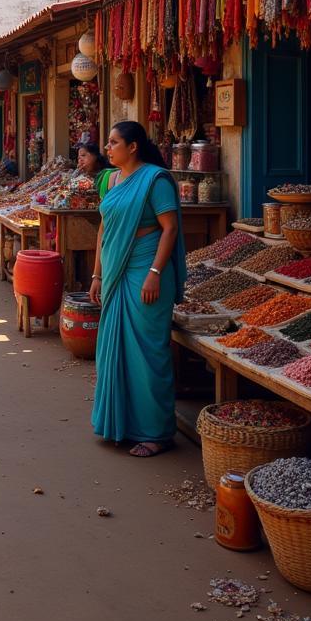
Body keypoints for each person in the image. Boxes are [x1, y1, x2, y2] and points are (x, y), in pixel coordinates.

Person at [88, 121, 186, 458]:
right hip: (115, 270)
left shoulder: (155, 179)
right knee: (114, 348)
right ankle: (121, 424)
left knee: (148, 351)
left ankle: (156, 432)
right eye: (108, 142)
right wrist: (97, 275)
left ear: (133, 147)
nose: (108, 148)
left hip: (147, 270)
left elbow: (170, 229)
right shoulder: (110, 180)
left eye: (114, 142)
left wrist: (156, 273)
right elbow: (104, 228)